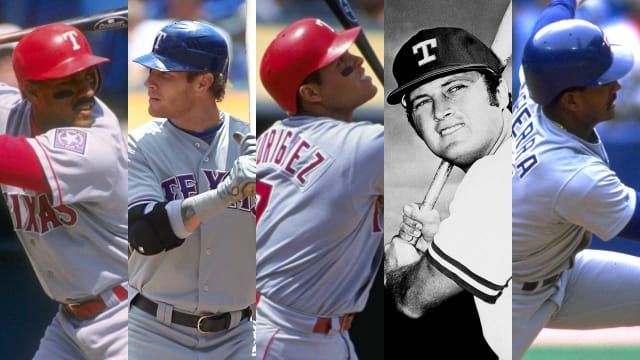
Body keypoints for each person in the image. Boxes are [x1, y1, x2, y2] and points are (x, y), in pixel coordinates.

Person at [512, 0, 640, 359]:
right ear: (571, 100)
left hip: (558, 269)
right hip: (505, 297)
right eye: (602, 81)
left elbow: (551, 23)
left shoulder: (537, 82)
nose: (616, 83)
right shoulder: (570, 175)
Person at [127, 20, 256, 359]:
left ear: (203, 82)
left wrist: (275, 176)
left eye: (165, 75)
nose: (149, 82)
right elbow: (145, 233)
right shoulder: (140, 146)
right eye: (151, 72)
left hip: (239, 337)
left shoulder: (253, 145)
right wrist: (226, 192)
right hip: (155, 333)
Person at [255, 18, 383, 359]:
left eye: (351, 55)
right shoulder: (358, 148)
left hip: (293, 327)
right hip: (286, 336)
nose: (357, 61)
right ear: (311, 93)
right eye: (341, 65)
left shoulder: (272, 135)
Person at [0, 24, 128, 359]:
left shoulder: (94, 141)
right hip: (69, 322)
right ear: (30, 92)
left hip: (130, 315)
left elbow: (12, 161)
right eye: (66, 86)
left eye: (89, 78)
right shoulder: (13, 112)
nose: (85, 93)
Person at [383, 26, 512, 359]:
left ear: (499, 92)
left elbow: (412, 302)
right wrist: (439, 246)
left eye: (455, 88)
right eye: (423, 102)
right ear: (413, 123)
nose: (441, 111)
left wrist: (397, 270)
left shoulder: (496, 174)